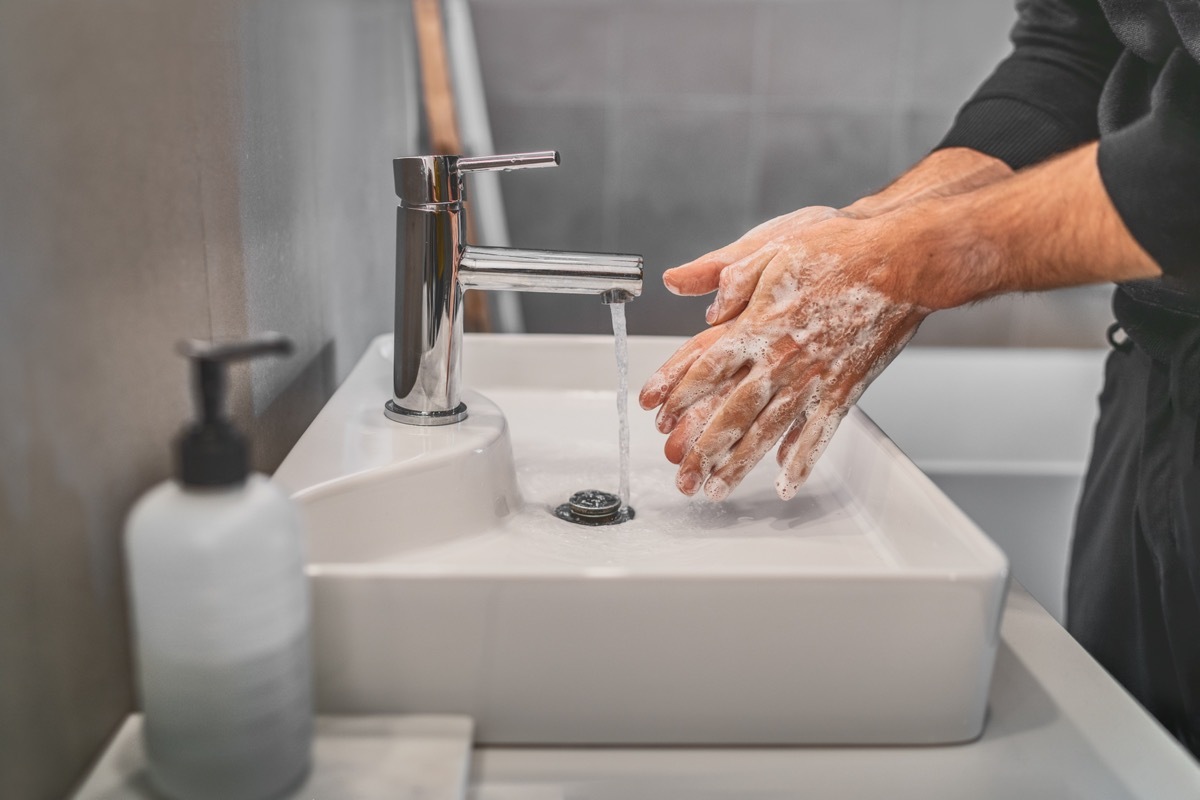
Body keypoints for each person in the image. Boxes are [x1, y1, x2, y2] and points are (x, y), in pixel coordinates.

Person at [639, 0, 1200, 756]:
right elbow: (1073, 48)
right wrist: (870, 229)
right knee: (1129, 751)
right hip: (1154, 370)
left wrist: (906, 262)